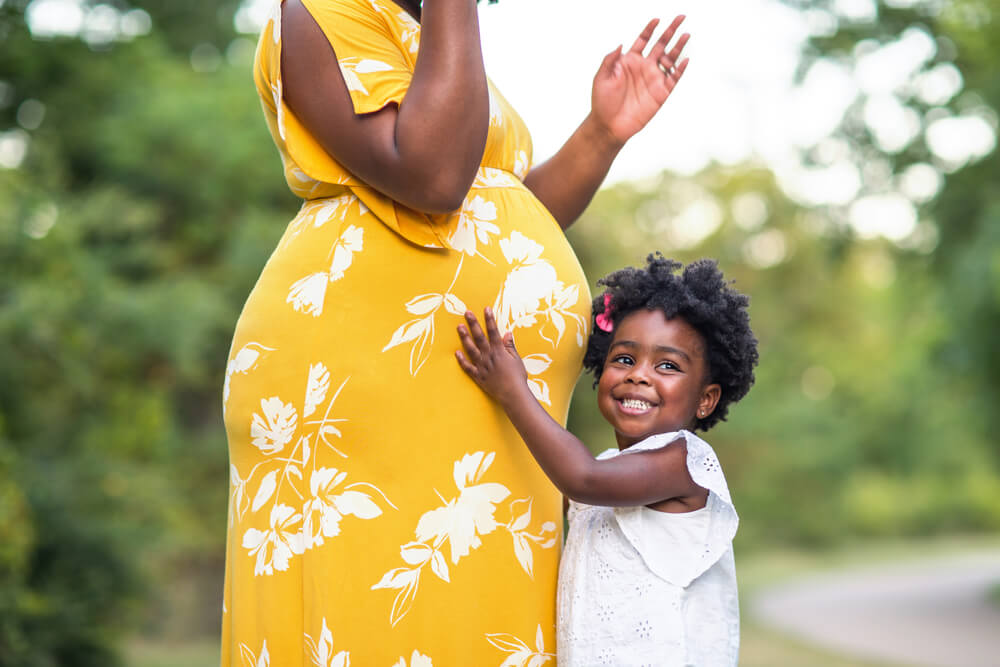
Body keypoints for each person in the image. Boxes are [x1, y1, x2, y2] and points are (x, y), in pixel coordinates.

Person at [221, 0, 690, 662]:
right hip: (368, 376)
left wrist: (601, 134)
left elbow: (497, 214)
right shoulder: (327, 11)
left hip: (481, 400)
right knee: (375, 610)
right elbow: (434, 178)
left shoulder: (429, 30)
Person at [455, 255, 759, 666]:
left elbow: (582, 477)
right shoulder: (607, 469)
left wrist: (513, 390)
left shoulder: (683, 463)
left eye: (667, 365)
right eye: (624, 359)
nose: (639, 375)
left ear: (706, 399)